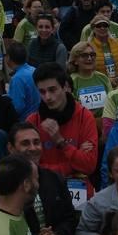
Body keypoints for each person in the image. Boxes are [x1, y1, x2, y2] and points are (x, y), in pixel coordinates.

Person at [28, 62, 99, 209]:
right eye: (42, 92)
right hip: (47, 194)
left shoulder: (85, 117)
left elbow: (89, 166)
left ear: (65, 86)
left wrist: (61, 142)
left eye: (52, 90)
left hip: (82, 196)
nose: (47, 97)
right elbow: (31, 169)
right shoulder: (33, 121)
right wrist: (71, 167)